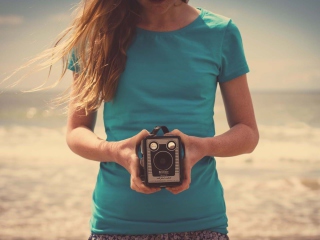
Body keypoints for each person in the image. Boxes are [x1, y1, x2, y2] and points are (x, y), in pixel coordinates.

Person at [50, 0, 259, 239]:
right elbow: (77, 131)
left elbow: (248, 134)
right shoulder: (98, 34)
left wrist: (203, 146)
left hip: (202, 223)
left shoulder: (220, 33)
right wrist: (115, 151)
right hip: (116, 224)